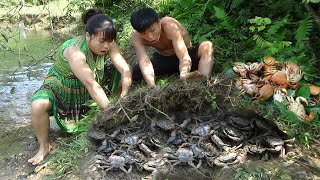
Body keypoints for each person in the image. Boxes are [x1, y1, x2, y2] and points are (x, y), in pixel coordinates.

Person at [27, 8, 132, 165]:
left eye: (109, 41)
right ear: (88, 36)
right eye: (101, 41)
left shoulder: (109, 43)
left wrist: (123, 96)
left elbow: (125, 69)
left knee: (118, 72)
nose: (106, 46)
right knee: (38, 105)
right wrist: (113, 115)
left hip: (88, 84)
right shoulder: (74, 51)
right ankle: (44, 147)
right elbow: (91, 84)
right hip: (62, 84)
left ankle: (111, 106)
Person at [130, 7, 214, 88]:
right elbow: (145, 62)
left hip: (188, 55)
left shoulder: (170, 25)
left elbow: (183, 56)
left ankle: (203, 80)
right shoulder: (137, 38)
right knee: (131, 71)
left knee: (207, 46)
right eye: (143, 34)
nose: (150, 36)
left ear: (159, 23)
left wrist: (184, 73)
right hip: (164, 61)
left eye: (153, 30)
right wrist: (152, 86)